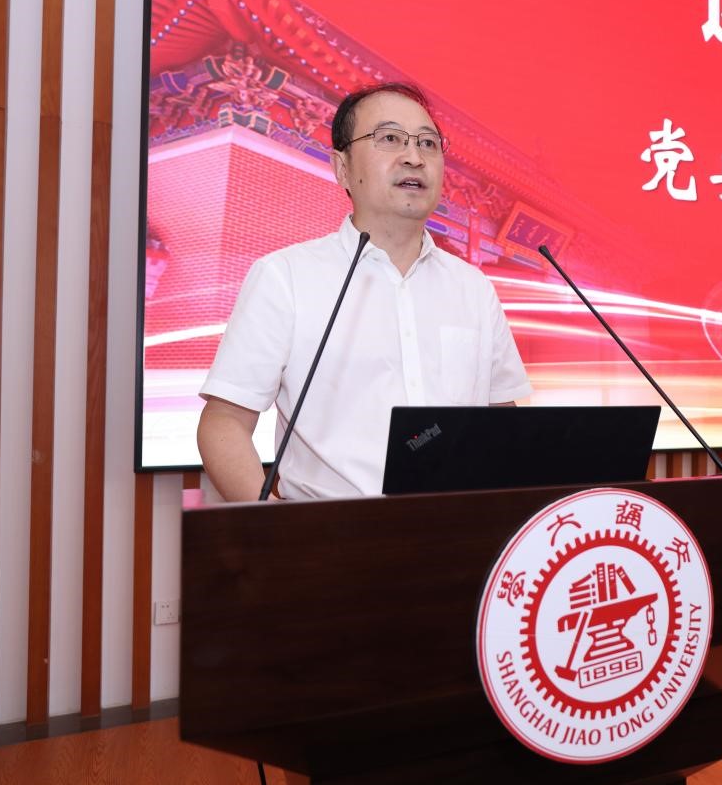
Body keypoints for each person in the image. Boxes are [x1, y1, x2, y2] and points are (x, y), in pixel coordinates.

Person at [197, 82, 531, 501]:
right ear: (342, 168)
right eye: (389, 139)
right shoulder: (286, 277)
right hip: (330, 531)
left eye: (428, 143)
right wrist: (273, 525)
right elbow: (224, 422)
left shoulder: (473, 288)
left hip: (462, 527)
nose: (414, 157)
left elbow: (502, 419)